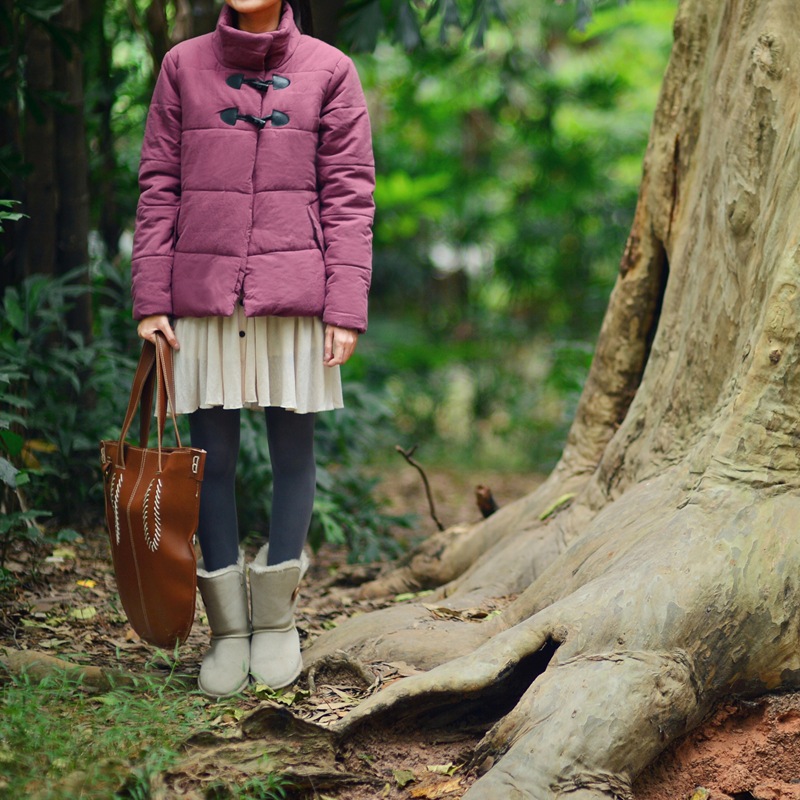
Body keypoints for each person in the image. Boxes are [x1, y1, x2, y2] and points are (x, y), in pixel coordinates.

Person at [130, 0, 374, 698]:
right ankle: (228, 632)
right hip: (202, 293)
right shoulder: (182, 65)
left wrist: (345, 307)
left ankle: (273, 624)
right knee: (211, 460)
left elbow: (351, 196)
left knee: (294, 454)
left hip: (294, 290)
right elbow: (158, 185)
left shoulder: (331, 70)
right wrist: (151, 298)